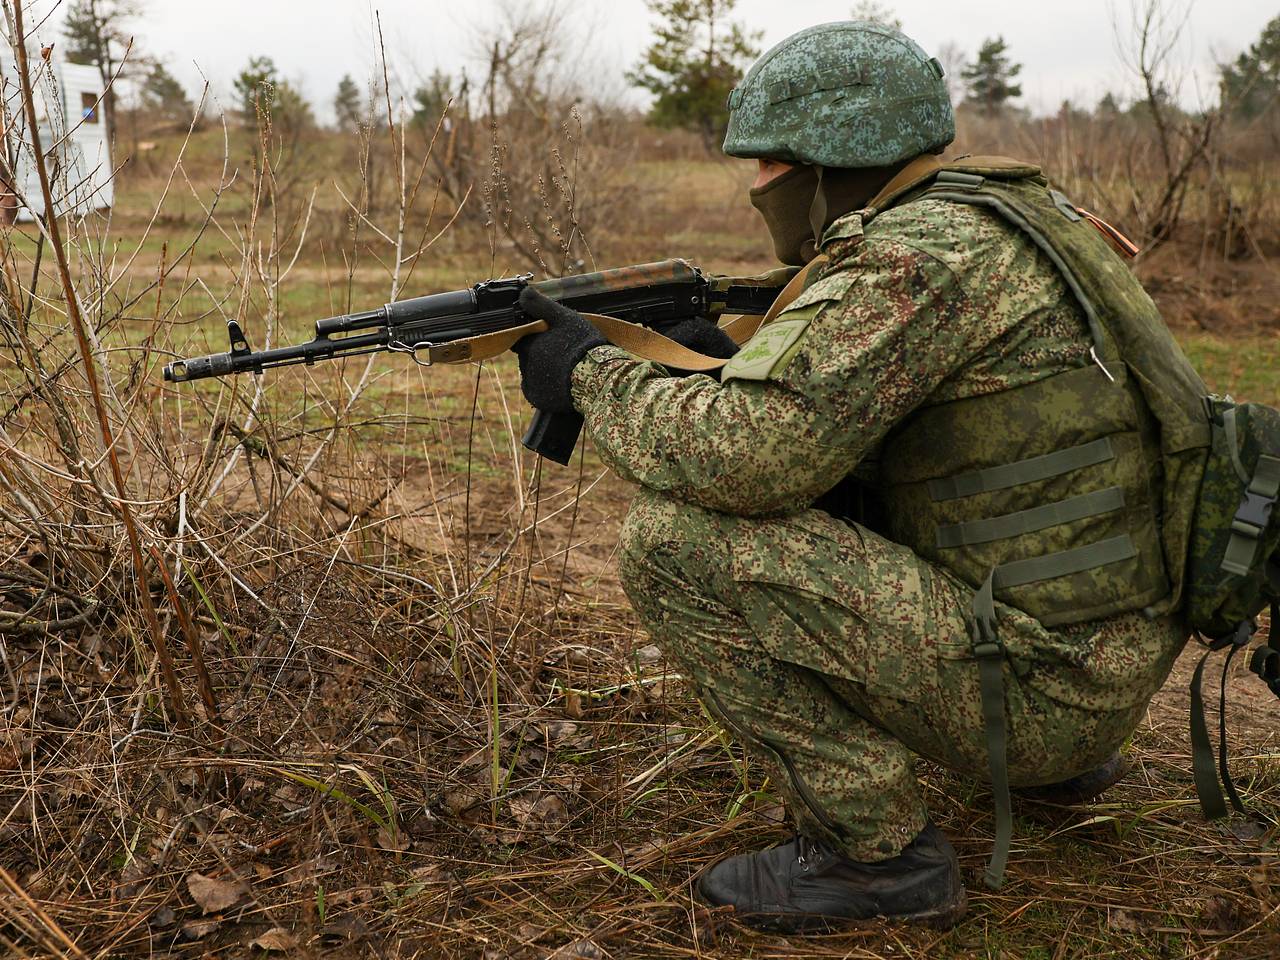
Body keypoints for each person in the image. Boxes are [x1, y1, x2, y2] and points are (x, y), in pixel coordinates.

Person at [511, 20, 1200, 932]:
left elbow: (748, 463)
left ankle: (872, 855)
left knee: (671, 542)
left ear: (830, 162)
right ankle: (1058, 763)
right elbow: (912, 431)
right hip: (1099, 658)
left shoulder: (914, 258)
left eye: (768, 165)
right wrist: (725, 369)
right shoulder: (1010, 216)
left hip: (1048, 693)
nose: (758, 186)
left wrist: (592, 373)